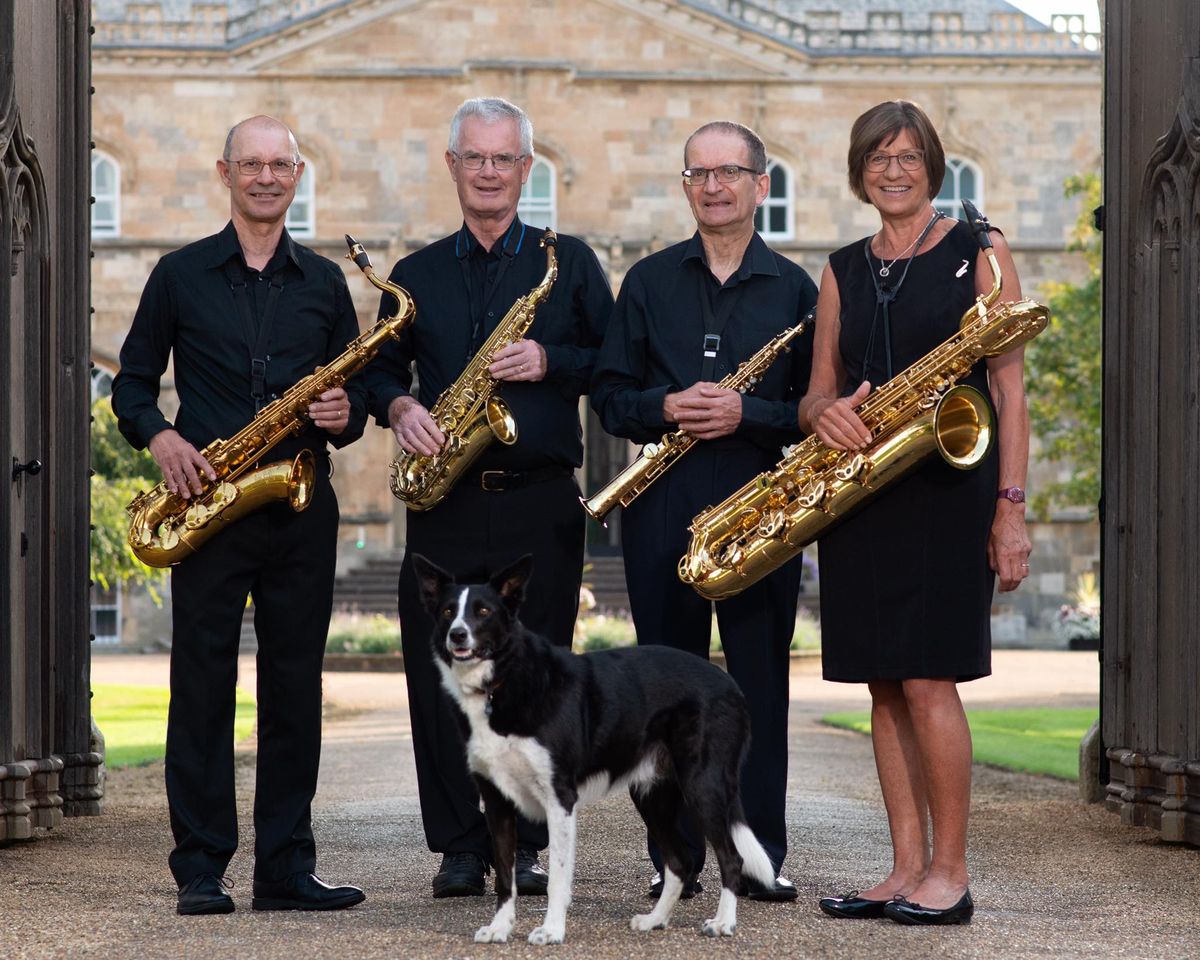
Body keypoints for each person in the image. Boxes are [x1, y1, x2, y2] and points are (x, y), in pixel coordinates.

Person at [110, 116, 367, 917]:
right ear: (225, 172)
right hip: (207, 502)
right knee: (201, 687)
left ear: (298, 175)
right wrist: (162, 440)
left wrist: (340, 412)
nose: (265, 177)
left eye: (279, 165)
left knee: (295, 689)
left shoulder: (326, 283)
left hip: (298, 503)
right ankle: (201, 867)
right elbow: (130, 385)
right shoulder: (179, 274)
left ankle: (285, 868)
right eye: (249, 164)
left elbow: (354, 411)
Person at [362, 97, 613, 898]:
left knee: (538, 678)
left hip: (538, 502)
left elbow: (613, 365)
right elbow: (372, 369)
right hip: (445, 503)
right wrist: (398, 407)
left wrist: (551, 360)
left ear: (526, 169)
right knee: (437, 675)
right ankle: (461, 848)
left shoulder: (567, 262)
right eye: (475, 158)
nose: (490, 172)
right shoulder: (414, 275)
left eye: (504, 159)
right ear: (453, 167)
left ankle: (530, 843)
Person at [800, 100, 1032, 926]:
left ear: (933, 164)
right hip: (861, 495)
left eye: (907, 156)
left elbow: (1008, 387)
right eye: (877, 157)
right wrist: (821, 412)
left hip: (949, 492)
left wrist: (1011, 508)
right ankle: (903, 869)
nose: (892, 170)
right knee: (883, 686)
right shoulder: (840, 268)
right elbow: (817, 389)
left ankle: (952, 873)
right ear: (858, 170)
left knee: (930, 681)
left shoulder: (981, 250)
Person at [590, 120, 817, 902]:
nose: (714, 186)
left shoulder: (797, 289)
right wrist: (666, 404)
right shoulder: (648, 283)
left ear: (761, 184)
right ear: (685, 186)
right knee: (660, 699)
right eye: (698, 174)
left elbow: (814, 416)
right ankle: (675, 860)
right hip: (662, 512)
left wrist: (747, 414)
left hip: (761, 517)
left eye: (730, 173)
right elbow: (611, 402)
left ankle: (759, 857)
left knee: (758, 692)